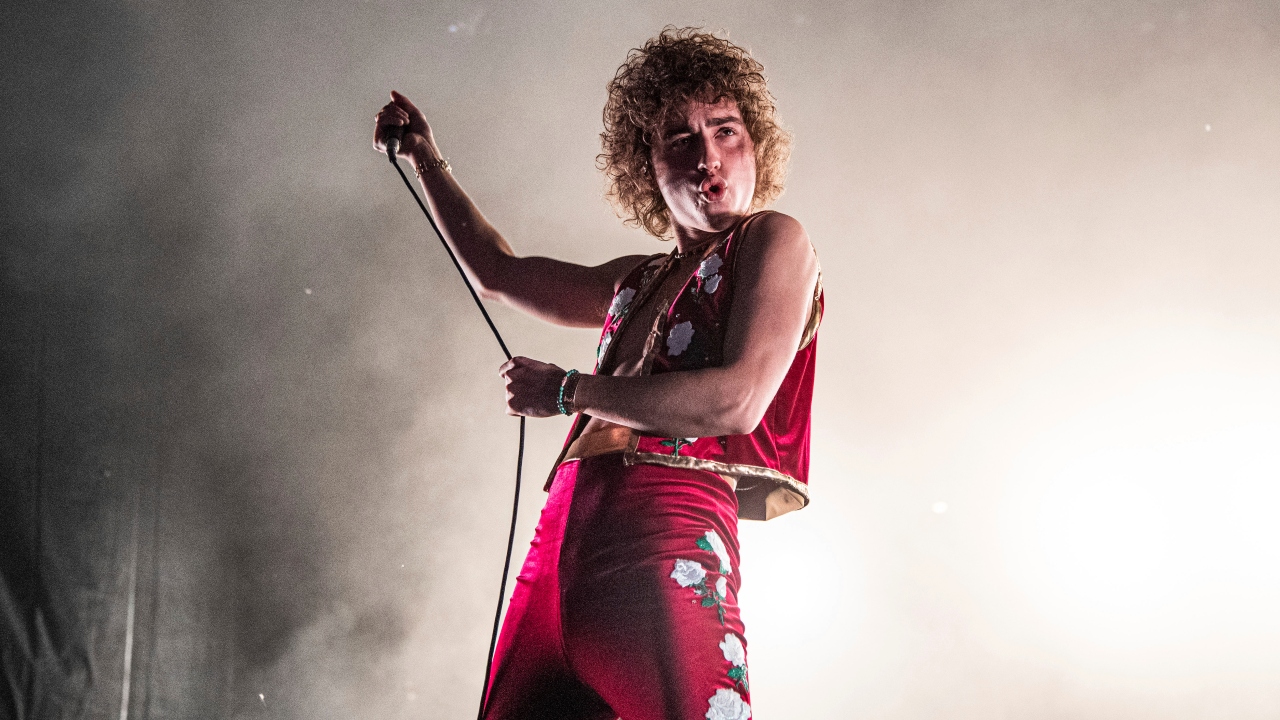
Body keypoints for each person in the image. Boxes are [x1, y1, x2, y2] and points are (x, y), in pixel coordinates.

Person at [374, 27, 821, 720]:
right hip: (561, 541)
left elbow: (737, 402)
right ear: (647, 166)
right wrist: (427, 158)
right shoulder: (633, 280)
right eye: (681, 137)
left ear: (755, 144)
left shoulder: (773, 239)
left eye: (727, 131)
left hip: (666, 532)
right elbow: (499, 273)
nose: (709, 155)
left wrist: (566, 391)